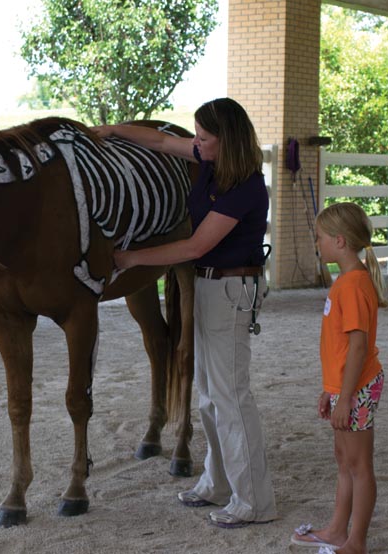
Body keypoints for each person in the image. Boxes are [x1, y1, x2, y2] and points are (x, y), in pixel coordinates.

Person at [92, 97, 277, 529]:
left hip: (231, 287)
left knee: (231, 396)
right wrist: (114, 130)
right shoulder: (210, 159)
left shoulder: (245, 186)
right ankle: (218, 483)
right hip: (212, 284)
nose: (196, 143)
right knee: (211, 395)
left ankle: (254, 500)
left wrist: (133, 258)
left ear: (225, 140)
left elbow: (195, 247)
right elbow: (158, 140)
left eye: (204, 137)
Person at [291, 202, 388, 554]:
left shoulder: (353, 285)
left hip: (357, 388)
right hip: (345, 387)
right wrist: (330, 391)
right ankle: (336, 530)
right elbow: (341, 350)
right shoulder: (347, 282)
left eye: (320, 238)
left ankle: (356, 542)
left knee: (359, 465)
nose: (318, 244)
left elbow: (359, 348)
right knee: (343, 459)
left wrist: (345, 397)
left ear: (340, 241)